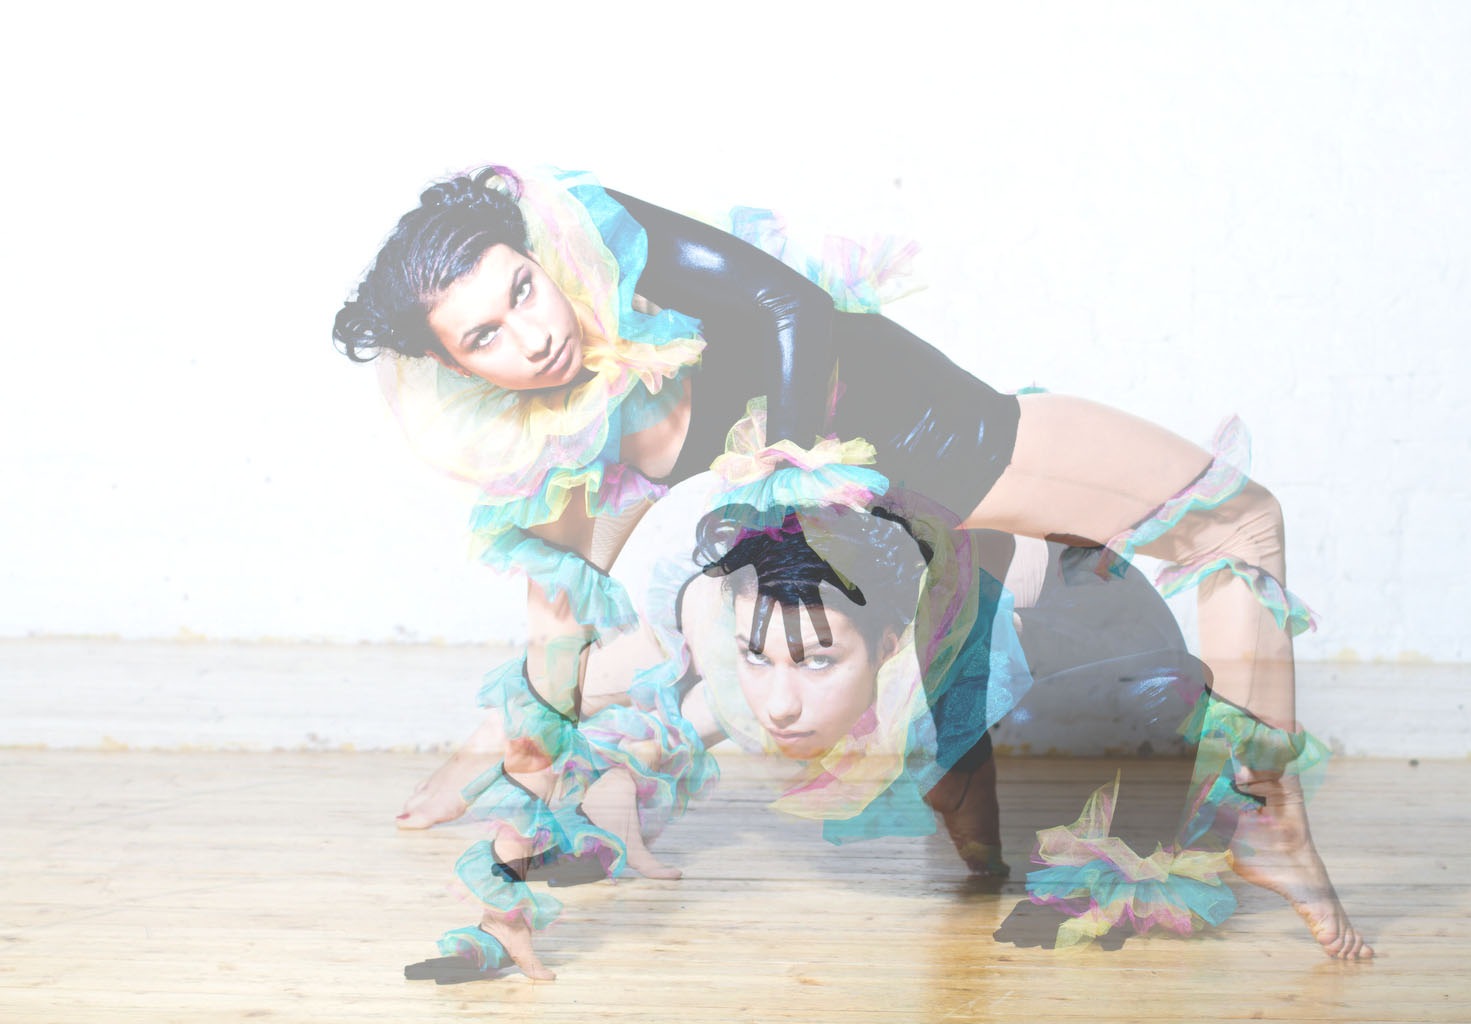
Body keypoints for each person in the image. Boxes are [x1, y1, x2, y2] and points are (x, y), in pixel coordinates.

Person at [334, 166, 1372, 977]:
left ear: (539, 254)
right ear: (456, 368)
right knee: (1241, 522)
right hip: (930, 461)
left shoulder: (612, 249)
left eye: (523, 289)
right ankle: (1266, 821)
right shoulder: (561, 467)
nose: (534, 337)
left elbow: (790, 305)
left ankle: (1210, 816)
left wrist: (787, 490)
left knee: (1210, 535)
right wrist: (503, 897)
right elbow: (547, 683)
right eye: (486, 336)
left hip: (910, 443)